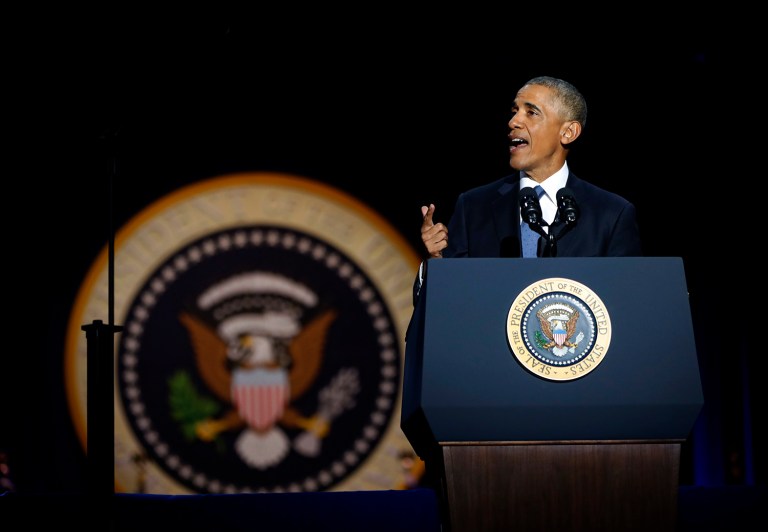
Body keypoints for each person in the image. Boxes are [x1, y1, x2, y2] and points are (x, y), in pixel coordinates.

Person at [414, 75, 642, 301]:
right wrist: (437, 262)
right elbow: (449, 306)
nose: (513, 122)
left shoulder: (612, 214)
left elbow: (626, 302)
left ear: (568, 132)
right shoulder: (473, 207)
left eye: (531, 113)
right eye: (515, 111)